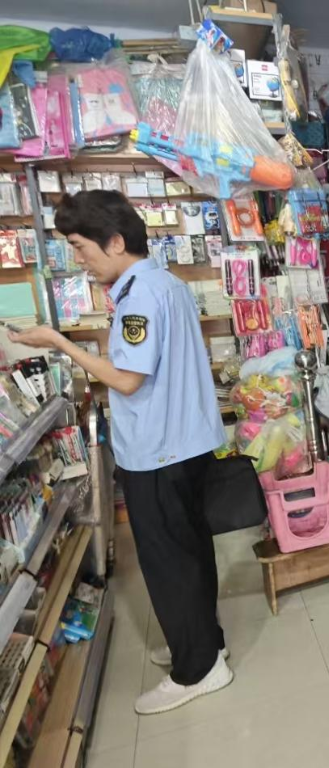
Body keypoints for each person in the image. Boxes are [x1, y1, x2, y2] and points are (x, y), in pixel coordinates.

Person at [9, 191, 230, 715]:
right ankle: (205, 642)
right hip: (186, 443)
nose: (79, 259)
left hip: (158, 451)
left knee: (168, 562)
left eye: (80, 247)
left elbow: (128, 379)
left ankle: (198, 669)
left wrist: (60, 343)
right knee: (190, 552)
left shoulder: (139, 297)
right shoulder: (166, 283)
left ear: (113, 242)